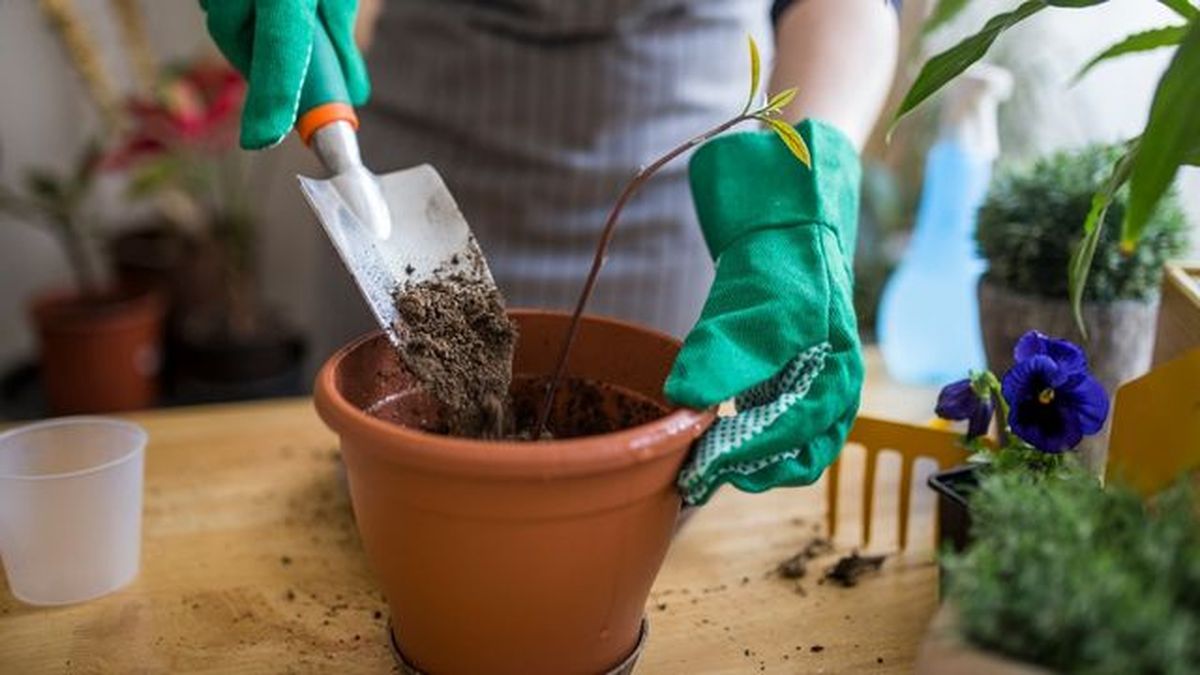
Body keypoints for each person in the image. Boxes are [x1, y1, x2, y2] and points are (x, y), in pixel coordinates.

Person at [201, 0, 898, 504]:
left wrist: (791, 204)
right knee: (393, 486)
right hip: (422, 136)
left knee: (647, 486)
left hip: (676, 164)